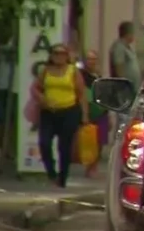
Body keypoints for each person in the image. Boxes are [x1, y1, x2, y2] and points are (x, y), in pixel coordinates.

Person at [32, 44, 89, 188]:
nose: (59, 56)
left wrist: (84, 115)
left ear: (67, 56)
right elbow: (35, 87)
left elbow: (81, 94)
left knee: (64, 147)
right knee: (44, 143)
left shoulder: (73, 71)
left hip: (68, 111)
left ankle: (62, 178)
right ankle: (51, 173)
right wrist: (40, 97)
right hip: (48, 112)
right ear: (51, 56)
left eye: (62, 54)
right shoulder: (45, 71)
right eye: (56, 53)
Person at [78, 50, 109, 178]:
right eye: (89, 59)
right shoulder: (80, 75)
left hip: (101, 112)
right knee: (90, 141)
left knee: (100, 140)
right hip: (89, 111)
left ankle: (94, 166)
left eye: (94, 59)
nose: (91, 61)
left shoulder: (99, 76)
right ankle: (89, 168)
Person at [109, 21, 141, 91]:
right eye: (133, 33)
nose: (134, 35)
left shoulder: (128, 47)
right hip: (124, 91)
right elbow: (119, 69)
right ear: (128, 34)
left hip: (132, 89)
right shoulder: (119, 47)